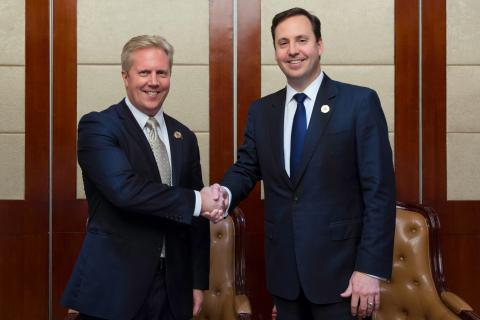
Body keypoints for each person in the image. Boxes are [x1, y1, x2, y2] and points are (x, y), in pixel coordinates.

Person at [220, 7, 396, 320]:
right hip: (285, 276)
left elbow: (379, 191)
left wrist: (369, 269)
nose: (292, 50)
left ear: (319, 45)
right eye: (283, 42)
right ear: (275, 51)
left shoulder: (359, 103)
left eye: (301, 40)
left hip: (343, 276)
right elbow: (246, 168)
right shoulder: (262, 111)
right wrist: (222, 194)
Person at [61, 35, 225, 320]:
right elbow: (125, 190)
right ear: (125, 76)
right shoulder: (98, 126)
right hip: (115, 284)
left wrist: (198, 282)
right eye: (144, 72)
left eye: (161, 73)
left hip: (173, 287)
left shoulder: (183, 136)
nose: (154, 81)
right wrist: (199, 200)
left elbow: (195, 223)